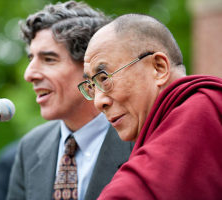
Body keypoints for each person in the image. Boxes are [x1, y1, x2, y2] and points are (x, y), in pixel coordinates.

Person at [78, 13, 222, 199]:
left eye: (104, 78)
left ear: (158, 68)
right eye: (91, 86)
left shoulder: (201, 111)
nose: (99, 102)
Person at [6, 1, 133, 200]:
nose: (29, 74)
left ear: (92, 69)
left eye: (49, 59)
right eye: (31, 58)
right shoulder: (30, 148)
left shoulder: (142, 139)